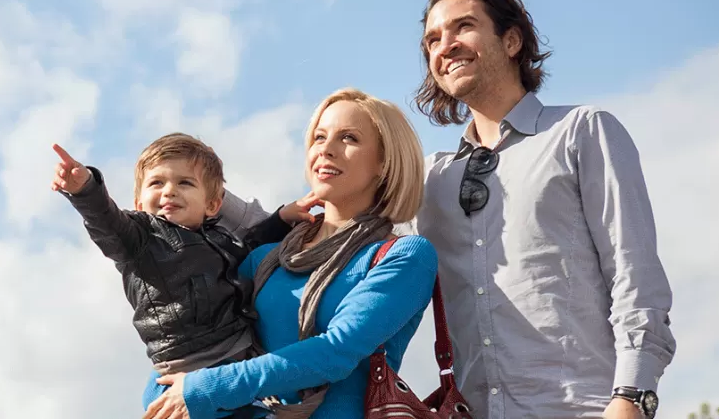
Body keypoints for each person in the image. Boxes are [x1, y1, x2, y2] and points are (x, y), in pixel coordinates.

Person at [407, 0, 675, 418]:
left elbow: (636, 279)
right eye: (433, 39)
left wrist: (631, 397)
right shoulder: (430, 180)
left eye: (463, 27)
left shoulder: (582, 132)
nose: (445, 45)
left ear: (512, 41)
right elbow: (346, 232)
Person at [145, 88, 439, 419]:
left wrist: (203, 388)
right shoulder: (262, 259)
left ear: (385, 163)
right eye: (318, 137)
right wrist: (167, 393)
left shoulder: (404, 256)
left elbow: (335, 352)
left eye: (349, 138)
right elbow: (194, 341)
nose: (326, 149)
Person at [51, 134, 301, 417]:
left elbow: (251, 251)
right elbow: (107, 223)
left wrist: (280, 220)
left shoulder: (219, 238)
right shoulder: (140, 240)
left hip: (236, 359)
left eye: (185, 183)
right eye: (157, 183)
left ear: (212, 205)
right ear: (139, 202)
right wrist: (86, 191)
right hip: (189, 365)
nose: (169, 191)